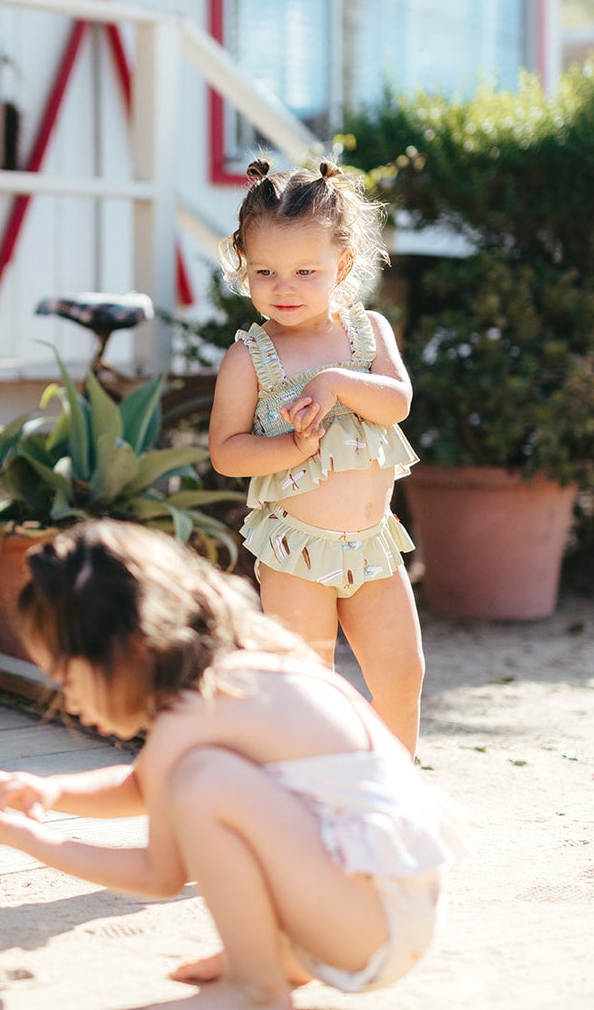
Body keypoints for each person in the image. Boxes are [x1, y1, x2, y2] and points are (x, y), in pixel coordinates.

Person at [0, 521, 471, 1010]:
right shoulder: (241, 673)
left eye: (68, 677)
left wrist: (30, 840)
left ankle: (255, 986)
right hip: (396, 910)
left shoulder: (197, 714)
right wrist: (51, 792)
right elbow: (142, 786)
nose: (68, 702)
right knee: (205, 779)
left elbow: (159, 874)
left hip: (371, 921)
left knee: (205, 783)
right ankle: (278, 962)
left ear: (125, 649)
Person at [207, 158, 424, 754]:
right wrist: (289, 446)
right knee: (309, 687)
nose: (285, 287)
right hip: (296, 550)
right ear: (243, 268)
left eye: (306, 270)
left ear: (343, 267)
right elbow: (226, 453)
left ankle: (394, 796)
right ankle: (309, 799)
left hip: (375, 548)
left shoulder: (368, 333)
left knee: (403, 678)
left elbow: (398, 402)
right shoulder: (250, 357)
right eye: (265, 271)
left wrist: (333, 382)